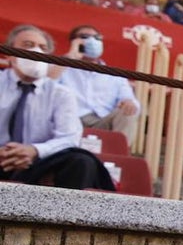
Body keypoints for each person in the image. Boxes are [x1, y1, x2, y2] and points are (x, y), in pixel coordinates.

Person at [0, 25, 114, 191]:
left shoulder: (61, 94)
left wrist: (34, 151)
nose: (36, 51)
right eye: (28, 45)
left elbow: (69, 137)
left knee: (81, 161)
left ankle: (64, 208)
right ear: (9, 54)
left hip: (36, 162)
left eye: (43, 48)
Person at [55, 25, 140, 146]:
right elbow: (47, 85)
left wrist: (128, 102)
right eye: (85, 37)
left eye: (97, 38)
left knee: (128, 111)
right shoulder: (61, 68)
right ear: (74, 42)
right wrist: (71, 56)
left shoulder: (115, 75)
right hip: (71, 121)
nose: (92, 41)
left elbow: (128, 98)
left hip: (103, 121)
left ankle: (117, 153)